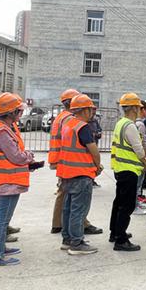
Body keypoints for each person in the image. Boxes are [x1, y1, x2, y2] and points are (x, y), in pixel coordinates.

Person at [0, 93, 34, 266]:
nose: (21, 114)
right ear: (11, 112)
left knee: (0, 217)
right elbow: (16, 157)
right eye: (19, 111)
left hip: (6, 181)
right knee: (2, 219)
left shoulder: (3, 128)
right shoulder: (2, 132)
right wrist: (29, 156)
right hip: (7, 182)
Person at [49, 89, 101, 235]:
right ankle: (78, 229)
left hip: (63, 161)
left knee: (65, 196)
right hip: (73, 164)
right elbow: (86, 147)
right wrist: (97, 165)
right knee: (75, 202)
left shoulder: (61, 117)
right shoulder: (72, 120)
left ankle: (59, 225)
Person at [58, 95, 103, 255]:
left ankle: (67, 239)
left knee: (68, 208)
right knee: (79, 210)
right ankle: (76, 243)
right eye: (91, 109)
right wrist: (98, 166)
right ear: (84, 110)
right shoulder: (83, 127)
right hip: (81, 174)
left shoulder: (68, 124)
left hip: (67, 173)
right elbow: (94, 151)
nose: (92, 112)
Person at [110, 93, 146, 252]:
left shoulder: (121, 123)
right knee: (127, 206)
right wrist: (145, 162)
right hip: (129, 170)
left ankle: (115, 232)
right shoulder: (130, 126)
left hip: (120, 168)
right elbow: (139, 150)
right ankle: (121, 240)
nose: (139, 109)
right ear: (133, 108)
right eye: (138, 107)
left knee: (119, 202)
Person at [133, 101, 146, 215]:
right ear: (142, 109)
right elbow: (143, 143)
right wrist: (145, 159)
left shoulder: (134, 123)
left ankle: (136, 203)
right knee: (137, 184)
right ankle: (134, 205)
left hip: (136, 158)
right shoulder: (140, 124)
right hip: (140, 158)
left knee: (138, 184)